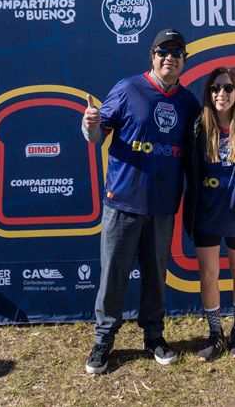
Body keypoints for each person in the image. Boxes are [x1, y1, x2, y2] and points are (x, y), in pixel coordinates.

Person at [81, 28, 200, 374]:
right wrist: (89, 124)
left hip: (163, 206)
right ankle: (104, 340)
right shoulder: (128, 88)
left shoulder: (188, 103)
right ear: (152, 56)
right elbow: (96, 134)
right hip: (123, 203)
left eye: (177, 53)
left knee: (155, 277)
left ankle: (154, 336)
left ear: (183, 60)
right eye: (163, 52)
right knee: (114, 276)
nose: (170, 58)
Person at [182, 67, 235, 361]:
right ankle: (216, 333)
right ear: (209, 93)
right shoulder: (198, 126)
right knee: (208, 275)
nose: (221, 94)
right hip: (206, 212)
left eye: (228, 88)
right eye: (215, 88)